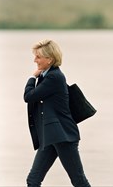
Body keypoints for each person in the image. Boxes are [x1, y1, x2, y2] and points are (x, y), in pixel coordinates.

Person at [24, 39, 91, 187]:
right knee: (33, 180)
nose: (35, 60)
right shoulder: (47, 76)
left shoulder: (54, 77)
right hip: (51, 135)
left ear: (50, 59)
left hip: (63, 136)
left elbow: (29, 96)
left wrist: (31, 77)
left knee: (79, 181)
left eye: (38, 57)